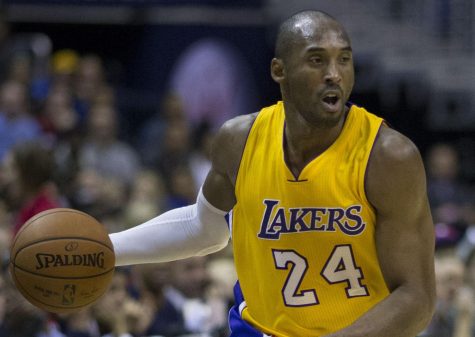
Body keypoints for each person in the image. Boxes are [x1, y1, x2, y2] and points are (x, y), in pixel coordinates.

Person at [110, 10, 436, 337]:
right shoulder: (239, 140)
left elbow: (416, 298)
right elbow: (203, 228)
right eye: (317, 60)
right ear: (279, 70)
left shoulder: (388, 156)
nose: (334, 74)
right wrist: (106, 249)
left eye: (344, 60)